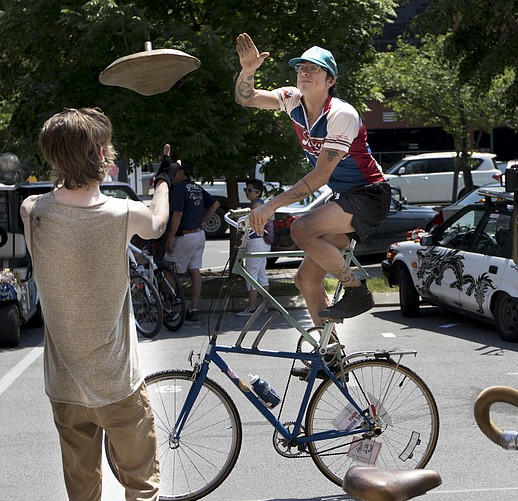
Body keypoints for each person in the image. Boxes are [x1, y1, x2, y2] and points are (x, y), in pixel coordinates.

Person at [20, 107, 172, 501]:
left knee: (83, 497)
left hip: (65, 386)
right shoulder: (122, 214)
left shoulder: (33, 213)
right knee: (141, 487)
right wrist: (163, 184)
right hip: (119, 384)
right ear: (103, 155)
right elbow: (158, 224)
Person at [234, 34, 391, 324]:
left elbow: (320, 176)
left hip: (370, 194)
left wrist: (271, 206)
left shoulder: (341, 114)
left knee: (301, 229)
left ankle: (356, 289)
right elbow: (246, 99)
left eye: (313, 69)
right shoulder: (292, 100)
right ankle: (328, 356)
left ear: (330, 80)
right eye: (301, 68)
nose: (304, 73)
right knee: (305, 280)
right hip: (346, 198)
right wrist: (248, 71)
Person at [163, 160, 220, 322]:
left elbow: (177, 214)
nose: (172, 177)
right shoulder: (196, 187)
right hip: (199, 234)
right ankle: (193, 308)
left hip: (185, 236)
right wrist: (202, 221)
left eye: (174, 173)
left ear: (181, 172)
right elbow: (215, 204)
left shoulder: (179, 189)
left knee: (169, 271)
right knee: (194, 271)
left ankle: (168, 309)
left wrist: (170, 238)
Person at [239, 178, 274, 316]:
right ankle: (265, 304)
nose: (247, 193)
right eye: (245, 190)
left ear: (258, 192)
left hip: (256, 241)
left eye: (249, 190)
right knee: (260, 273)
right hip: (264, 242)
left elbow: (250, 225)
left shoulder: (256, 206)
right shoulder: (263, 204)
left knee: (250, 274)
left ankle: (252, 307)